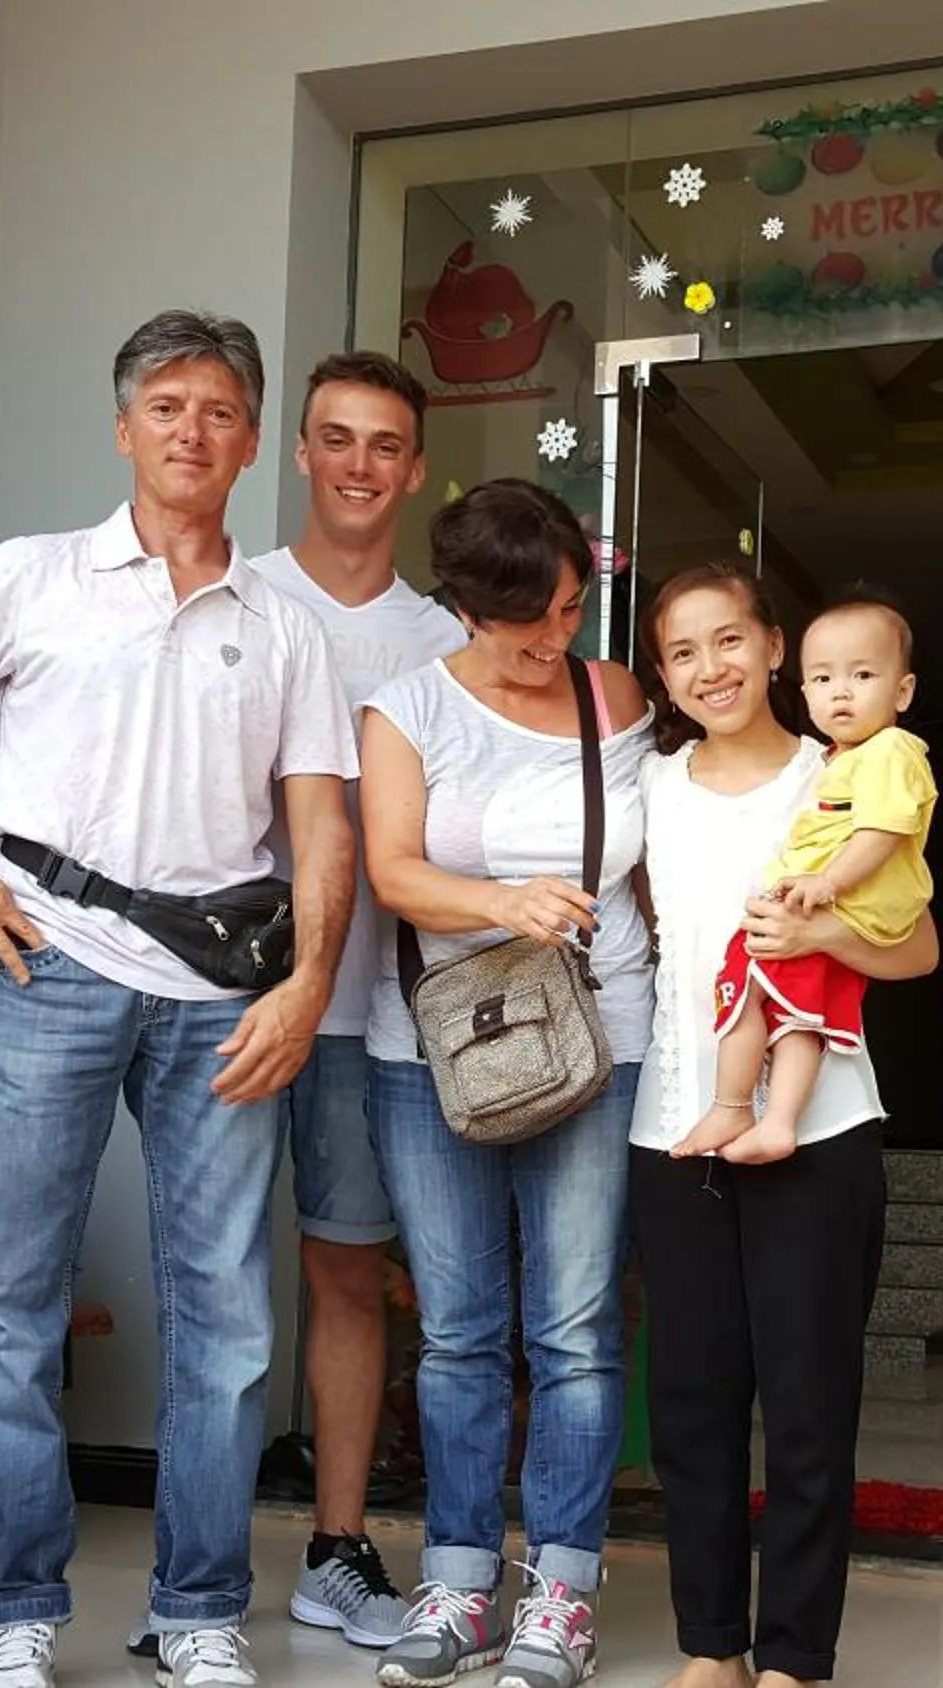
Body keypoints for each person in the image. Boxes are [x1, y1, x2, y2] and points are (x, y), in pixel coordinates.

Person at [0, 308, 354, 1688]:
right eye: (168, 405)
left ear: (254, 444)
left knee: (229, 1324)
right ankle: (16, 1615)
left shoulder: (287, 628)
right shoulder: (34, 576)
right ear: (125, 428)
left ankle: (196, 1615)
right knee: (11, 1301)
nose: (195, 429)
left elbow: (322, 830)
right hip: (43, 969)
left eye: (221, 410)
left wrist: (305, 990)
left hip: (221, 1008)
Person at [354, 479, 654, 1688]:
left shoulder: (613, 693)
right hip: (436, 1049)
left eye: (574, 606)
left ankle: (563, 1597)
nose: (557, 638)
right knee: (459, 1331)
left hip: (603, 1035)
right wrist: (501, 903)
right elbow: (390, 868)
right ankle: (461, 1582)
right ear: (466, 604)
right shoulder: (408, 705)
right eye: (529, 618)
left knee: (576, 1326)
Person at [628, 563, 939, 1688]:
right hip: (675, 1120)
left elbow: (920, 947)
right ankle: (712, 1643)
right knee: (694, 1402)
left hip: (823, 1129)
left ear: (773, 648)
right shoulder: (649, 787)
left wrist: (816, 933)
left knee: (809, 1403)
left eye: (728, 641)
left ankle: (796, 1654)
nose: (709, 668)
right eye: (681, 651)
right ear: (664, 672)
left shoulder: (846, 769)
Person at [243, 350, 465, 1649]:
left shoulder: (441, 644)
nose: (361, 466)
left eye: (387, 445)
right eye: (338, 440)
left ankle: (337, 1547)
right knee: (211, 1284)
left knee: (345, 1277)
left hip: (369, 1020)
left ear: (416, 470)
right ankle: (196, 1576)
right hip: (215, 1000)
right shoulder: (234, 596)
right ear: (302, 453)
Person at [674, 596, 934, 1166]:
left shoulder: (889, 750)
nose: (841, 691)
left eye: (863, 675)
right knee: (797, 1016)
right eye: (823, 678)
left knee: (745, 977)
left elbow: (883, 830)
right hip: (830, 910)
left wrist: (828, 886)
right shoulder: (843, 758)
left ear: (903, 691)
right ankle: (778, 1120)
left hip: (839, 907)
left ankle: (732, 1103)